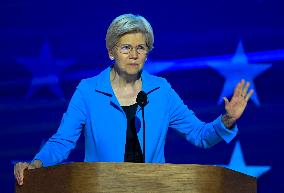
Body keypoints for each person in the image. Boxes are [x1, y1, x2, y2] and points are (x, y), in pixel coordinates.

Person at [14, 13, 254, 185]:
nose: (134, 54)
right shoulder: (88, 90)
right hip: (99, 188)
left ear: (147, 54)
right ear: (111, 52)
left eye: (141, 48)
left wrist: (227, 120)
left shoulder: (161, 90)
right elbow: (62, 141)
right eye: (126, 47)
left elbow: (199, 135)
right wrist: (36, 164)